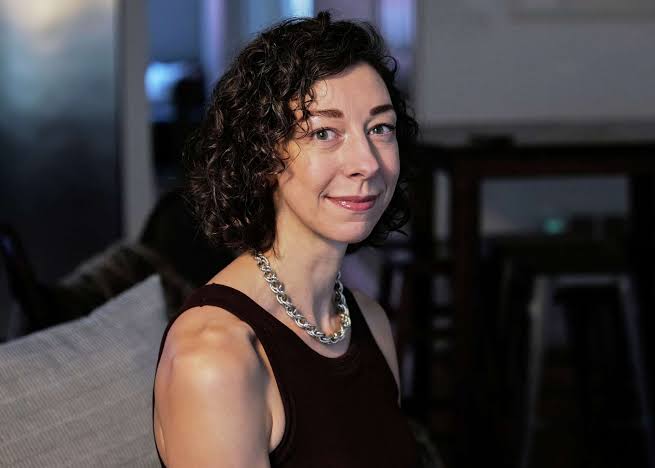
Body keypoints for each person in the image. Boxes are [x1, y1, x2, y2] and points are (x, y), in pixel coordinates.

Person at [152, 11, 419, 467]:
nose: (368, 163)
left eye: (380, 128)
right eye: (324, 132)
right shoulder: (214, 357)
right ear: (262, 155)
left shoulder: (367, 320)